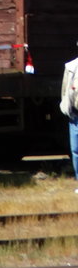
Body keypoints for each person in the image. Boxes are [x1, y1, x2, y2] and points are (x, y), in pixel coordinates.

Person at [62, 51, 78, 190]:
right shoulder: (71, 66)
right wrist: (65, 107)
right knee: (75, 151)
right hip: (75, 114)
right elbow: (65, 90)